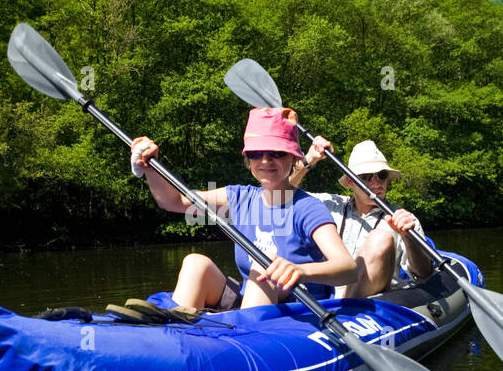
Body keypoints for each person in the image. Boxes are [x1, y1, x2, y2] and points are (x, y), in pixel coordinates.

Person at [130, 108, 358, 311]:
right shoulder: (238, 196)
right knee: (195, 262)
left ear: (293, 156)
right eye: (256, 154)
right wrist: (150, 167)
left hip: (297, 310)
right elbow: (175, 202)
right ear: (248, 160)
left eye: (276, 152)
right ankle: (178, 338)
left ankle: (242, 343)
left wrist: (300, 270)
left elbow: (348, 268)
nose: (265, 161)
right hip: (250, 299)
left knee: (264, 264)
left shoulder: (308, 208)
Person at [289, 138, 435, 297]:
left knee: (380, 238)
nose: (377, 183)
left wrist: (408, 238)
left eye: (381, 175)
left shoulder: (403, 219)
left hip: (373, 301)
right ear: (351, 181)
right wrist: (309, 159)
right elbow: (281, 194)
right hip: (326, 298)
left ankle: (346, 308)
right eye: (366, 177)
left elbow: (424, 274)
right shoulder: (329, 205)